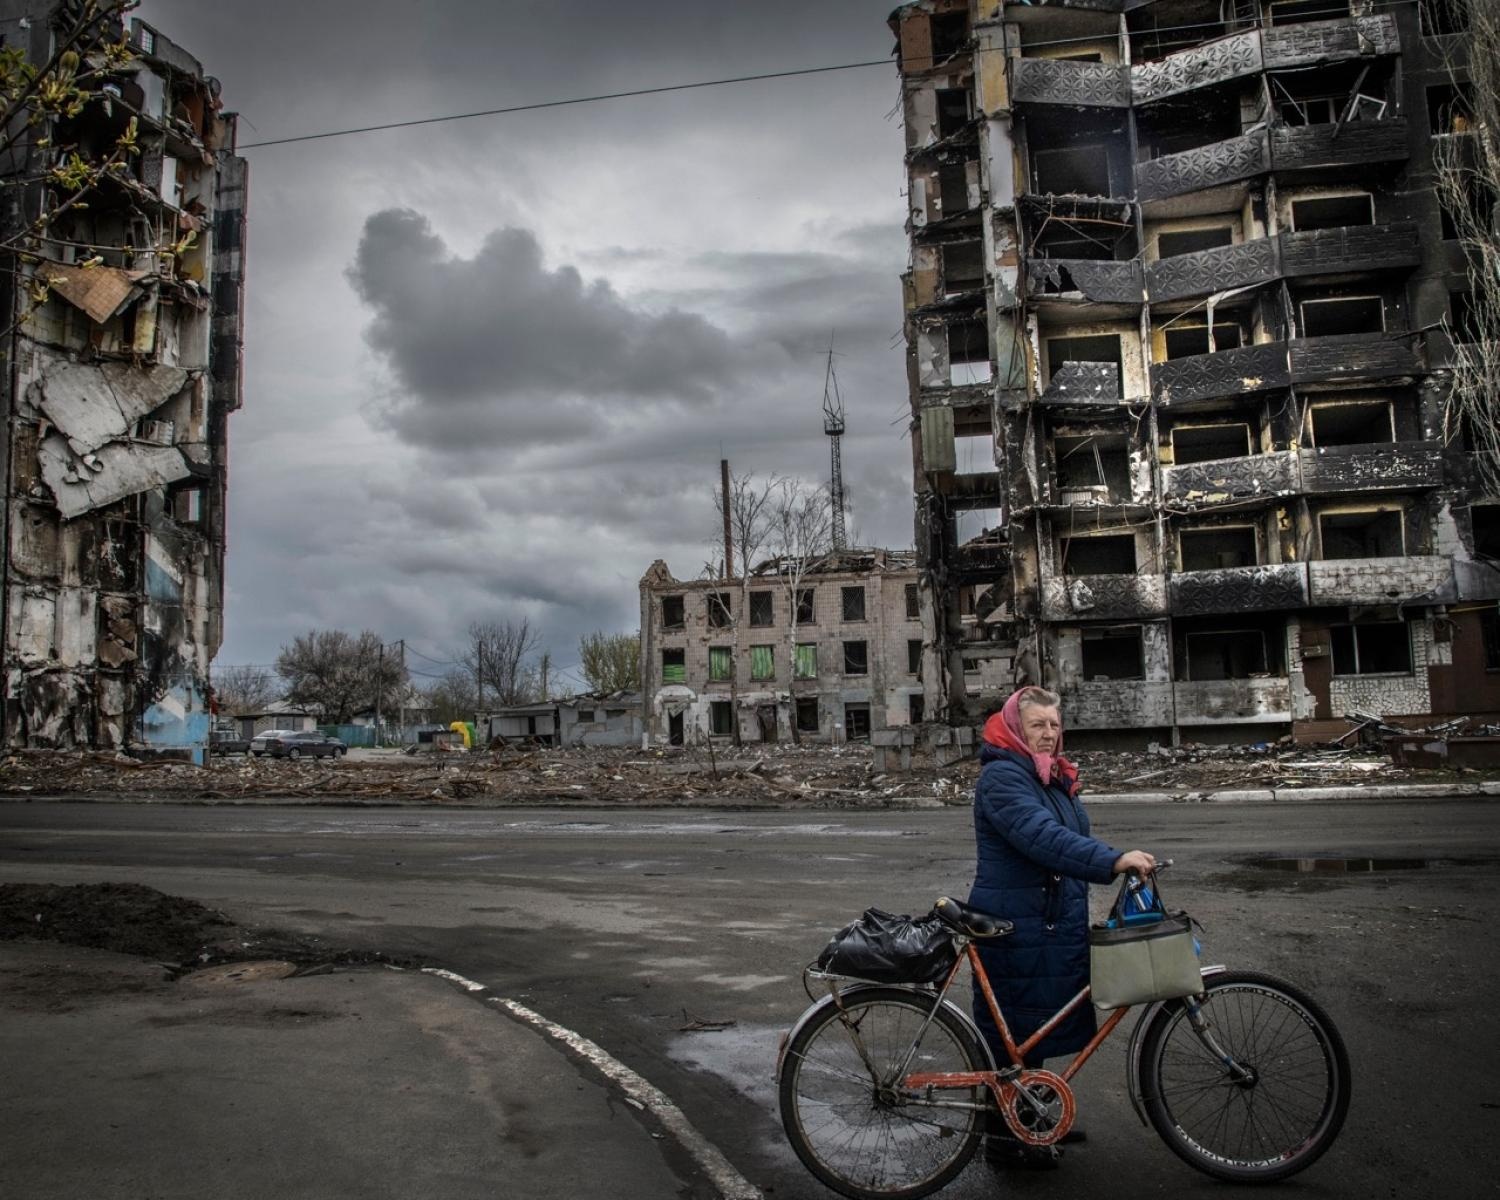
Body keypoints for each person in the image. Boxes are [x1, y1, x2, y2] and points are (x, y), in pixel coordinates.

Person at [968, 686, 1155, 1168]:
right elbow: (1043, 838)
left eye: (1054, 725)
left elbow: (1067, 836)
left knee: (1033, 1030)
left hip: (1045, 920)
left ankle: (1031, 1118)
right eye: (1037, 725)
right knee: (1013, 1033)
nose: (1048, 734)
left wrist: (1113, 859)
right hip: (1015, 925)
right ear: (1016, 728)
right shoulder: (1003, 778)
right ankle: (1007, 1141)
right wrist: (1113, 861)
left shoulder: (1046, 776)